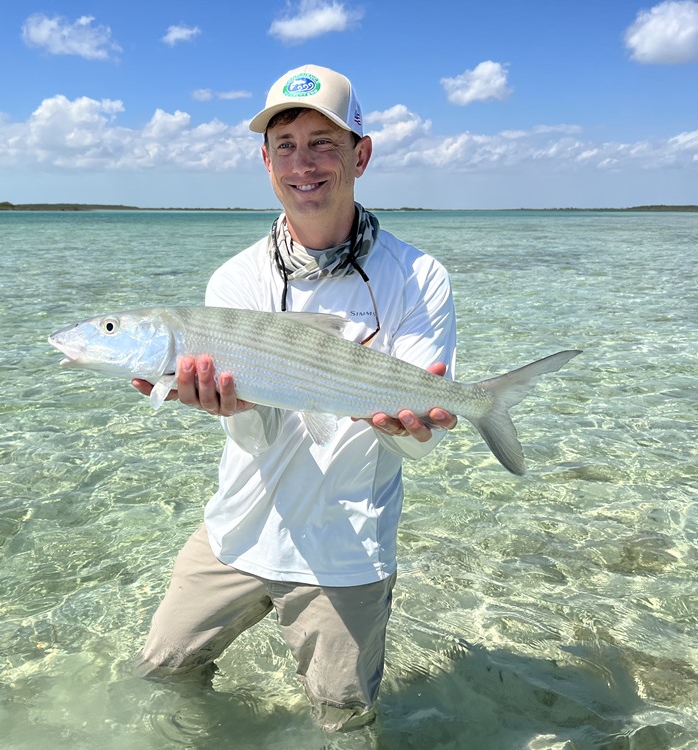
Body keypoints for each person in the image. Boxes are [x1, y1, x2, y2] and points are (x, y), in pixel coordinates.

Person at [131, 64, 458, 732]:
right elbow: (251, 434)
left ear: (361, 154)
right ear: (265, 160)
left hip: (345, 548)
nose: (302, 163)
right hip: (236, 531)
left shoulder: (419, 277)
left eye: (323, 143)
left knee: (343, 721)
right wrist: (236, 410)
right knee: (161, 677)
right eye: (286, 145)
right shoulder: (235, 277)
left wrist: (416, 428)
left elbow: (421, 439)